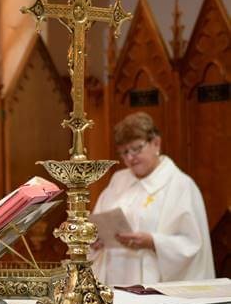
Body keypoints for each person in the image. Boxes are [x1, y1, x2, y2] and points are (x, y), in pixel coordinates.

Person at [91, 112, 214, 286]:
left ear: (156, 143)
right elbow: (98, 225)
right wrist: (95, 239)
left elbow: (193, 245)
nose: (130, 157)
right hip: (114, 282)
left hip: (153, 284)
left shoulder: (181, 186)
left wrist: (153, 242)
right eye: (124, 152)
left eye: (136, 148)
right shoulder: (118, 180)